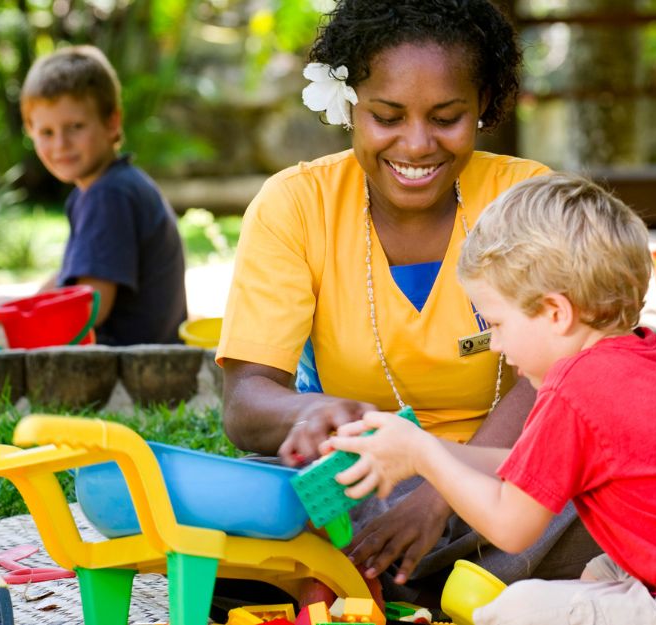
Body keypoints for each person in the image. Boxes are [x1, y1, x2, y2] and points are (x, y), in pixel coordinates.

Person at [216, 0, 598, 606]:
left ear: (483, 108)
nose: (416, 144)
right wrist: (306, 413)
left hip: (512, 483)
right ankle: (467, 591)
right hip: (365, 484)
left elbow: (570, 373)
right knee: (240, 512)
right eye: (387, 116)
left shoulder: (526, 198)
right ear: (349, 105)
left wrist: (440, 493)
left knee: (600, 495)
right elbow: (244, 398)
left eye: (447, 117)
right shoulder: (294, 205)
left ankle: (380, 586)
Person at [328, 173, 656, 625]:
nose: (497, 346)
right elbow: (525, 471)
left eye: (498, 324)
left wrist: (424, 456)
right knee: (599, 570)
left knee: (516, 610)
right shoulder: (633, 357)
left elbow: (512, 526)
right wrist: (424, 443)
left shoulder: (577, 388)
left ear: (555, 312)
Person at [0, 45, 186, 346]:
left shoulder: (109, 195)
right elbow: (69, 276)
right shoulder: (103, 188)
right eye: (47, 133)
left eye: (75, 127)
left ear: (112, 123)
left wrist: (10, 310)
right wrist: (21, 302)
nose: (61, 144)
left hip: (129, 363)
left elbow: (91, 306)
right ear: (30, 132)